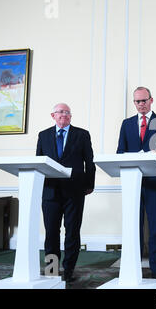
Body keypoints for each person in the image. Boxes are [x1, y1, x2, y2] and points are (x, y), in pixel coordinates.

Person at [116, 86, 156, 279]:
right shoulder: (127, 124)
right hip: (133, 182)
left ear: (151, 100)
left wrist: (154, 154)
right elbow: (120, 152)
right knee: (134, 225)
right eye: (137, 101)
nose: (140, 104)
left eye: (143, 100)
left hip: (154, 181)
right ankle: (134, 267)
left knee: (155, 226)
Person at [36, 103, 96, 283]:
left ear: (71, 116)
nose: (64, 115)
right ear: (52, 115)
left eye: (68, 112)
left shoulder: (82, 134)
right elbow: (39, 162)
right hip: (50, 192)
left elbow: (89, 162)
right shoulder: (43, 135)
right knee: (51, 232)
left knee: (72, 232)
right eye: (60, 112)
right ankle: (52, 270)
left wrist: (89, 184)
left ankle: (69, 270)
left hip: (75, 191)